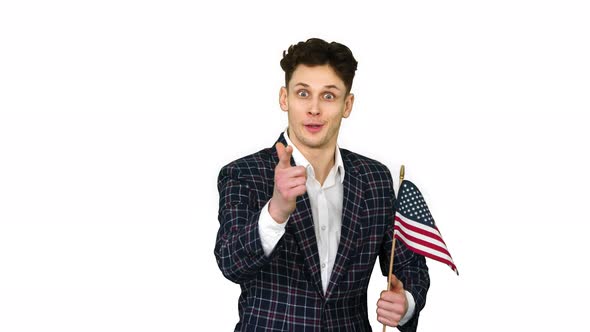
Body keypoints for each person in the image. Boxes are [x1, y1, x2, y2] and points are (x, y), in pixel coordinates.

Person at [215, 38, 430, 331]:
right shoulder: (243, 173)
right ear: (284, 98)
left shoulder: (376, 178)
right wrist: (276, 210)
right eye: (303, 93)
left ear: (347, 104)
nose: (314, 108)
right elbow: (231, 262)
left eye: (328, 96)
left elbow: (409, 265)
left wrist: (406, 302)